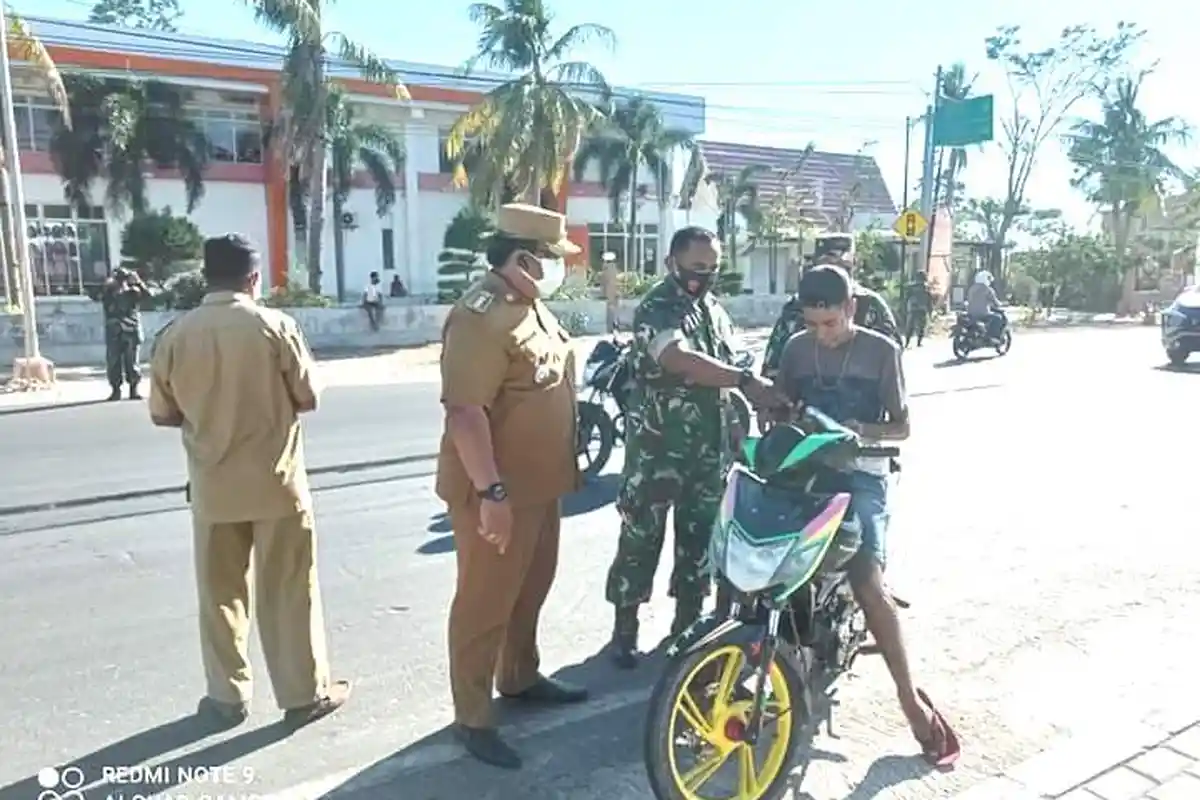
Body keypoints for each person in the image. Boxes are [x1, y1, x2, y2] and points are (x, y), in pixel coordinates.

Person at [148, 234, 350, 730]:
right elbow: (307, 397)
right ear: (254, 279)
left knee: (219, 594)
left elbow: (161, 413)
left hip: (213, 490)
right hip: (278, 486)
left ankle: (227, 697)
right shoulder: (275, 326)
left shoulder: (176, 335)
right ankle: (303, 695)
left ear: (206, 278)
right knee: (288, 591)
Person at [773, 264, 960, 766]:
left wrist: (862, 430)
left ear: (850, 309)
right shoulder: (794, 349)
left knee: (867, 583)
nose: (821, 334)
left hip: (862, 474)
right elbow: (780, 407)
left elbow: (902, 428)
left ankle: (909, 700)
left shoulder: (881, 351)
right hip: (805, 468)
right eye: (812, 325)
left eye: (830, 323)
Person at [436, 203, 588, 770]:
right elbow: (465, 413)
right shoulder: (482, 316)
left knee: (530, 588)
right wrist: (492, 495)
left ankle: (519, 675)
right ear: (525, 258)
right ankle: (473, 717)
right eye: (556, 259)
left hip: (539, 486)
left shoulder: (531, 306)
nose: (566, 267)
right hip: (496, 491)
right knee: (484, 603)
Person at [605, 226, 786, 669]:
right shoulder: (659, 307)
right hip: (657, 450)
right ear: (672, 263)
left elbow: (733, 364)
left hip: (709, 453)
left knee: (698, 545)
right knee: (640, 538)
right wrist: (743, 380)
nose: (703, 276)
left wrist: (751, 405)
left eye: (711, 268)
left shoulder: (713, 311)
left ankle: (685, 630)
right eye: (695, 267)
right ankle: (624, 632)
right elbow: (679, 358)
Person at [761, 251, 900, 380]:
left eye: (841, 267)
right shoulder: (797, 306)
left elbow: (891, 356)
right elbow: (773, 365)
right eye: (826, 266)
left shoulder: (871, 303)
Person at [101, 266, 149, 401]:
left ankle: (134, 389)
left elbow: (148, 296)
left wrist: (138, 281)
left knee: (132, 362)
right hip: (114, 332)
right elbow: (96, 295)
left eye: (123, 279)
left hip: (130, 331)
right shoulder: (109, 293)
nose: (121, 282)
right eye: (118, 279)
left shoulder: (133, 292)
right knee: (113, 362)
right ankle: (115, 389)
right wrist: (107, 284)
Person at [966, 269, 1005, 340]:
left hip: (971, 313)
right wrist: (1000, 304)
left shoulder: (971, 288)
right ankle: (993, 337)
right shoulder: (988, 289)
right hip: (983, 313)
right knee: (998, 318)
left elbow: (969, 299)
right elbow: (995, 301)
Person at [904, 271, 933, 349]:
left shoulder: (912, 287)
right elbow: (929, 300)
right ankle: (918, 343)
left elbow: (907, 297)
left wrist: (906, 307)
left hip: (913, 308)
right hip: (922, 308)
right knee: (921, 327)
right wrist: (930, 311)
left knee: (910, 327)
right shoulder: (926, 287)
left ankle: (907, 343)